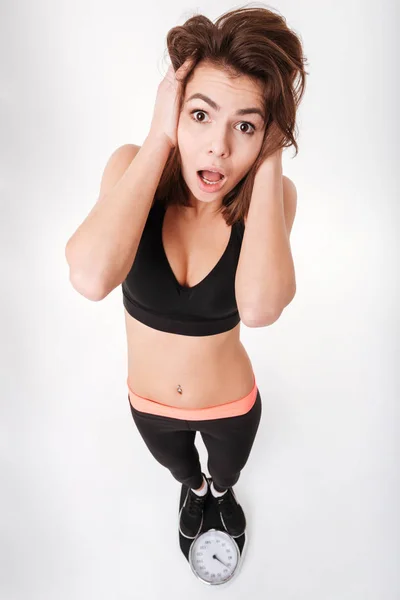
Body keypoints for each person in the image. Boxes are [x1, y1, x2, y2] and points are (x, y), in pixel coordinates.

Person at [65, 5, 306, 541]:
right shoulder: (132, 168)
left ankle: (219, 494)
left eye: (244, 125)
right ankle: (194, 493)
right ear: (173, 109)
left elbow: (263, 308)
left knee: (226, 474)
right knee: (183, 473)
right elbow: (89, 276)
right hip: (148, 406)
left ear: (267, 135)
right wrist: (159, 140)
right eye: (200, 114)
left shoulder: (272, 198)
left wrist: (269, 154)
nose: (219, 145)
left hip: (232, 405)